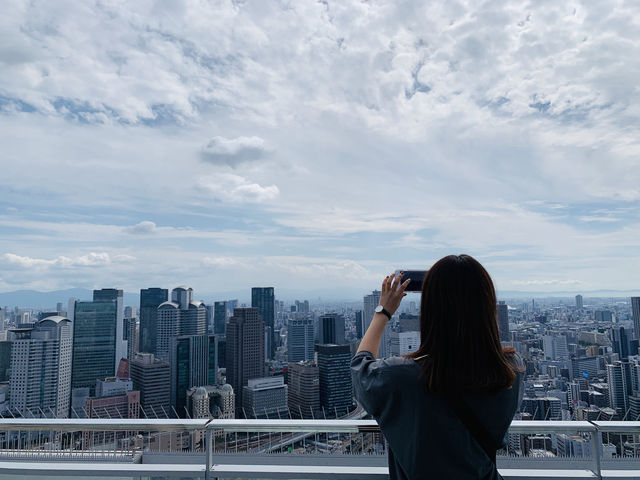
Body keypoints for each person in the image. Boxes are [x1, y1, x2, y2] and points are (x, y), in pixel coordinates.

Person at [351, 254, 524, 480]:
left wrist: (383, 312)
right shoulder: (510, 369)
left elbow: (360, 366)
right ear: (488, 305)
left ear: (431, 308)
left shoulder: (401, 377)